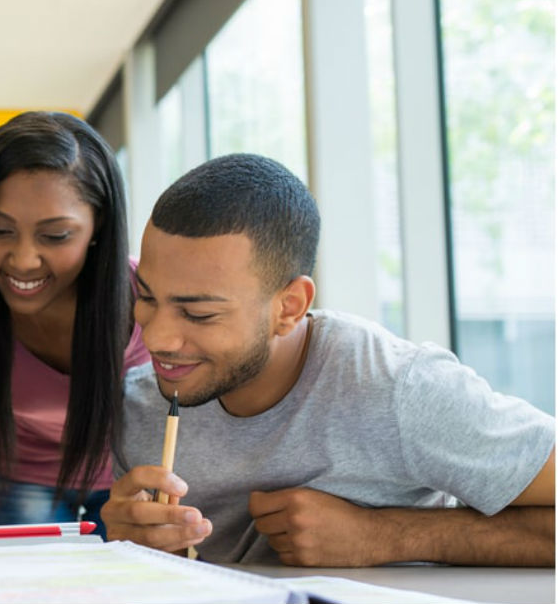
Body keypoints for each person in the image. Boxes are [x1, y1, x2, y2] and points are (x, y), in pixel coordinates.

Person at [102, 153, 555, 566]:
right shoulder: (138, 410)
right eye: (146, 297)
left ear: (290, 307)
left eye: (198, 313)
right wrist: (136, 554)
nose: (157, 337)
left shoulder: (399, 389)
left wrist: (388, 536)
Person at [0, 112, 148, 535]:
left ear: (98, 224)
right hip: (21, 478)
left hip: (132, 481)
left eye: (55, 236)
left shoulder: (146, 295)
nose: (23, 260)